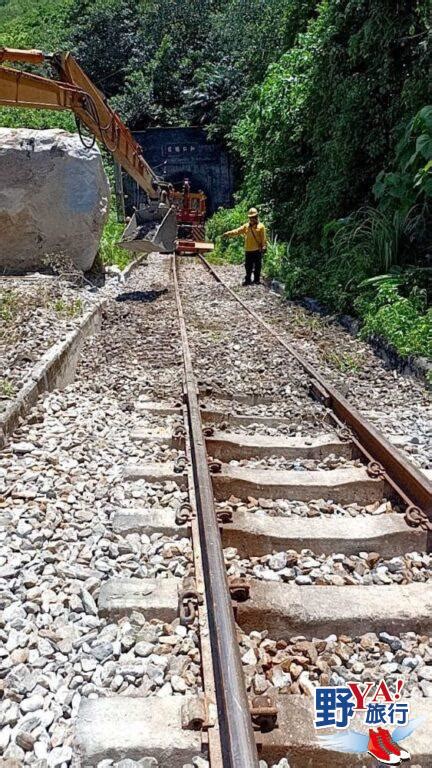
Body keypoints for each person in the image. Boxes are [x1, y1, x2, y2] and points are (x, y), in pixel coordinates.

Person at [223, 207, 267, 286]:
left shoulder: (261, 227)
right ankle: (248, 280)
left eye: (253, 217)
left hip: (257, 250)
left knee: (257, 266)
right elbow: (237, 231)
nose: (252, 219)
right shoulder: (246, 226)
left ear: (256, 217)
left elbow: (263, 238)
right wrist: (228, 233)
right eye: (250, 218)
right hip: (248, 250)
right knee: (248, 266)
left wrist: (264, 246)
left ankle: (256, 280)